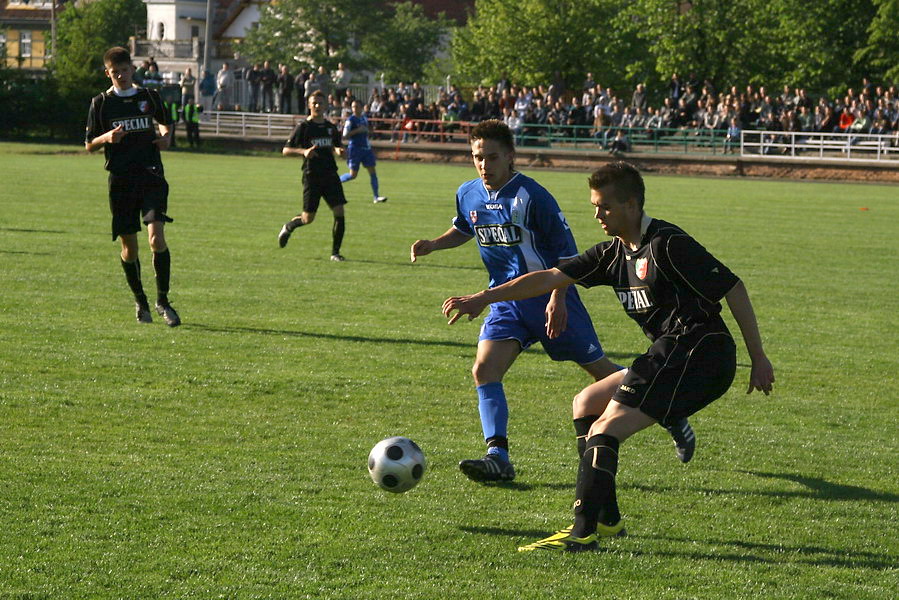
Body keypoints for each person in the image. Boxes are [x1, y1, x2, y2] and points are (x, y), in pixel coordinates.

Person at [442, 162, 775, 551]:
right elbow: (550, 277)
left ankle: (581, 533)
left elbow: (733, 287)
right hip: (669, 352)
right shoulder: (613, 254)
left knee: (605, 429)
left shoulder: (667, 244)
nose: (597, 215)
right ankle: (608, 520)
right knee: (586, 403)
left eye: (604, 207)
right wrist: (484, 297)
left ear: (632, 205)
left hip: (701, 353)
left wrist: (759, 358)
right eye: (594, 206)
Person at [411, 121, 693, 484]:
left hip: (549, 297)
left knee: (604, 375)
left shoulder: (532, 196)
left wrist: (558, 298)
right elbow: (466, 227)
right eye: (478, 157)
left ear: (511, 156)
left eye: (493, 157)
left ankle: (669, 409)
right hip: (505, 301)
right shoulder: (468, 193)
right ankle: (498, 456)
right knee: (484, 370)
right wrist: (434, 243)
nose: (484, 164)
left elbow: (566, 254)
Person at [84, 46, 181, 327]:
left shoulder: (148, 97)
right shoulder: (101, 103)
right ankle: (140, 300)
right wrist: (107, 138)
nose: (121, 76)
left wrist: (165, 137)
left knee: (156, 239)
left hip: (151, 175)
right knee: (130, 248)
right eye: (115, 73)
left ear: (132, 69)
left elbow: (165, 124)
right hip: (121, 180)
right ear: (108, 73)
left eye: (125, 71)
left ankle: (163, 300)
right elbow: (89, 144)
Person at [277, 92, 348, 262]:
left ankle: (335, 253)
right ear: (309, 105)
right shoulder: (304, 127)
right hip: (312, 176)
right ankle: (289, 226)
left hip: (331, 175)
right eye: (314, 103)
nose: (317, 106)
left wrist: (338, 150)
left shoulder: (331, 128)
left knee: (340, 213)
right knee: (308, 218)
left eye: (320, 103)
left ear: (325, 105)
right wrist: (304, 152)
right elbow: (286, 150)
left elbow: (337, 146)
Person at [339, 100, 387, 203]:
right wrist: (357, 130)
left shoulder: (364, 118)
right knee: (353, 175)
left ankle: (376, 196)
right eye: (353, 107)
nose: (354, 109)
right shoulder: (350, 120)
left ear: (361, 107)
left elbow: (366, 130)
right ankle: (334, 182)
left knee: (373, 172)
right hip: (355, 149)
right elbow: (344, 135)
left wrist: (368, 131)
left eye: (356, 106)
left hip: (366, 149)